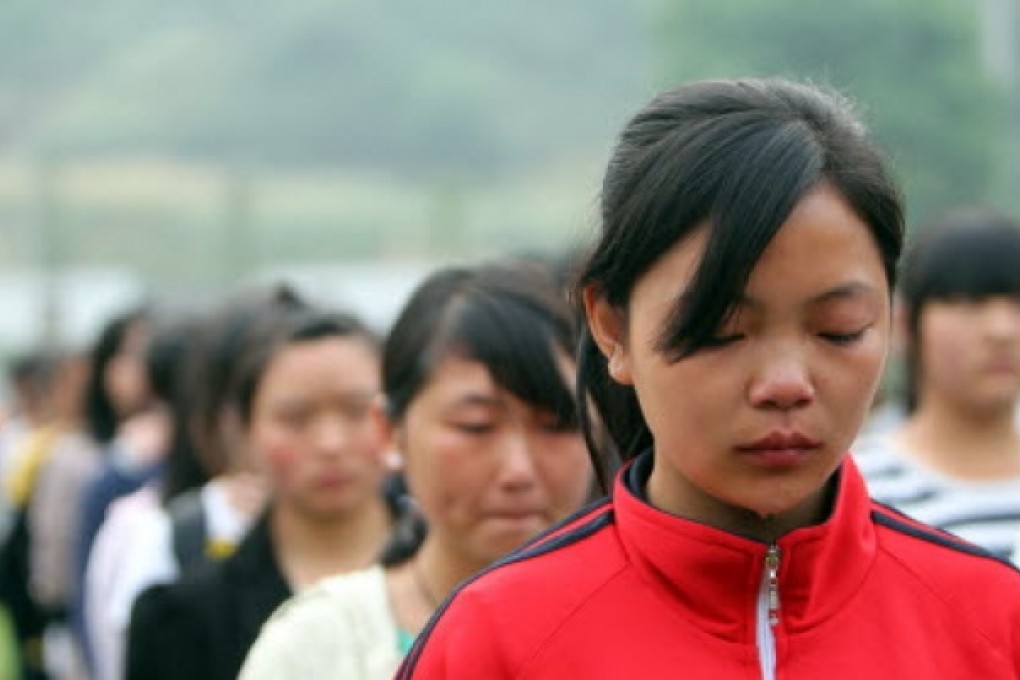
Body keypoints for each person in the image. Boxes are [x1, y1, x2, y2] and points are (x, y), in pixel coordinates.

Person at [396, 78, 1020, 679]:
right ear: (612, 328)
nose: (785, 383)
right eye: (722, 332)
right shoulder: (494, 643)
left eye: (839, 329)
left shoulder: (995, 623)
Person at [239, 262, 593, 679]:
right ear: (389, 430)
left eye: (557, 426)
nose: (519, 470)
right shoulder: (315, 645)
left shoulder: (642, 620)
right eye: (475, 427)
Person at [126, 305, 395, 680]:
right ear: (243, 430)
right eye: (296, 418)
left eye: (356, 411)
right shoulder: (184, 620)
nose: (330, 444)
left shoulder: (464, 582)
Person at [855, 208, 1020, 559]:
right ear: (904, 325)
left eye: (1017, 304)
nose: (1003, 330)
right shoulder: (860, 488)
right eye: (972, 304)